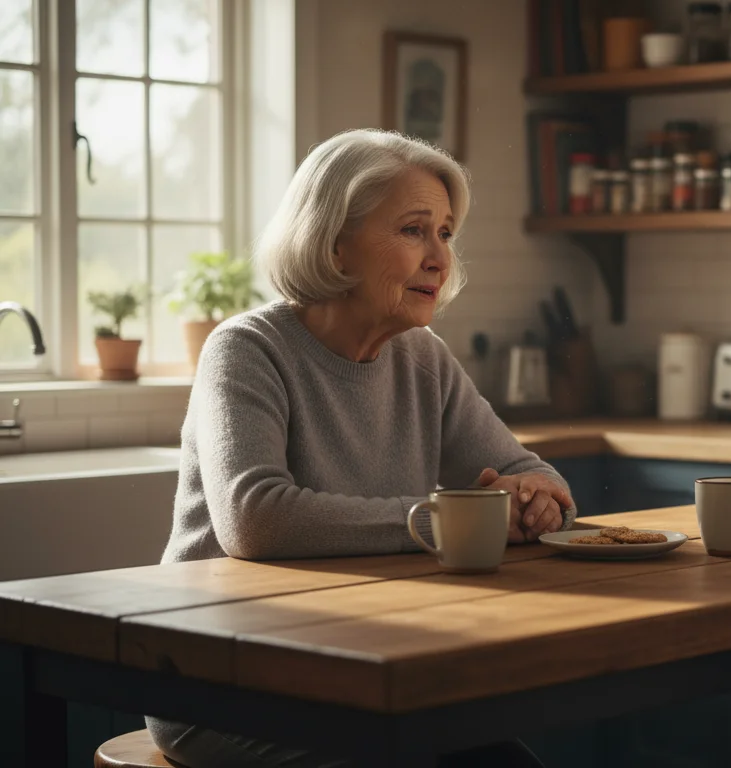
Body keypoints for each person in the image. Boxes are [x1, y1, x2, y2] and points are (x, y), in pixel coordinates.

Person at [146, 128, 571, 768]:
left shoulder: (421, 357)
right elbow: (254, 518)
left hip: (362, 668)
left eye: (446, 234)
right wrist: (442, 520)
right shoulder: (246, 349)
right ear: (334, 242)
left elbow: (528, 471)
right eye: (412, 230)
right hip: (226, 682)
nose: (439, 257)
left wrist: (539, 501)